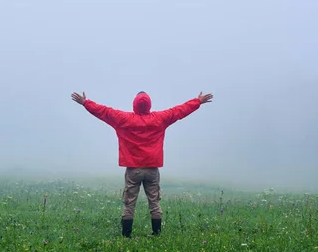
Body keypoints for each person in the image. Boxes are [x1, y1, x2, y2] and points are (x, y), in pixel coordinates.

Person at [71, 90, 213, 238]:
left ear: (134, 104)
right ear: (149, 105)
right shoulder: (159, 119)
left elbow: (104, 112)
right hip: (152, 169)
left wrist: (85, 103)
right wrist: (197, 101)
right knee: (154, 202)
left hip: (133, 170)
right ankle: (157, 234)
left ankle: (126, 236)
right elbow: (178, 111)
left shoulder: (123, 119)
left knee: (129, 204)